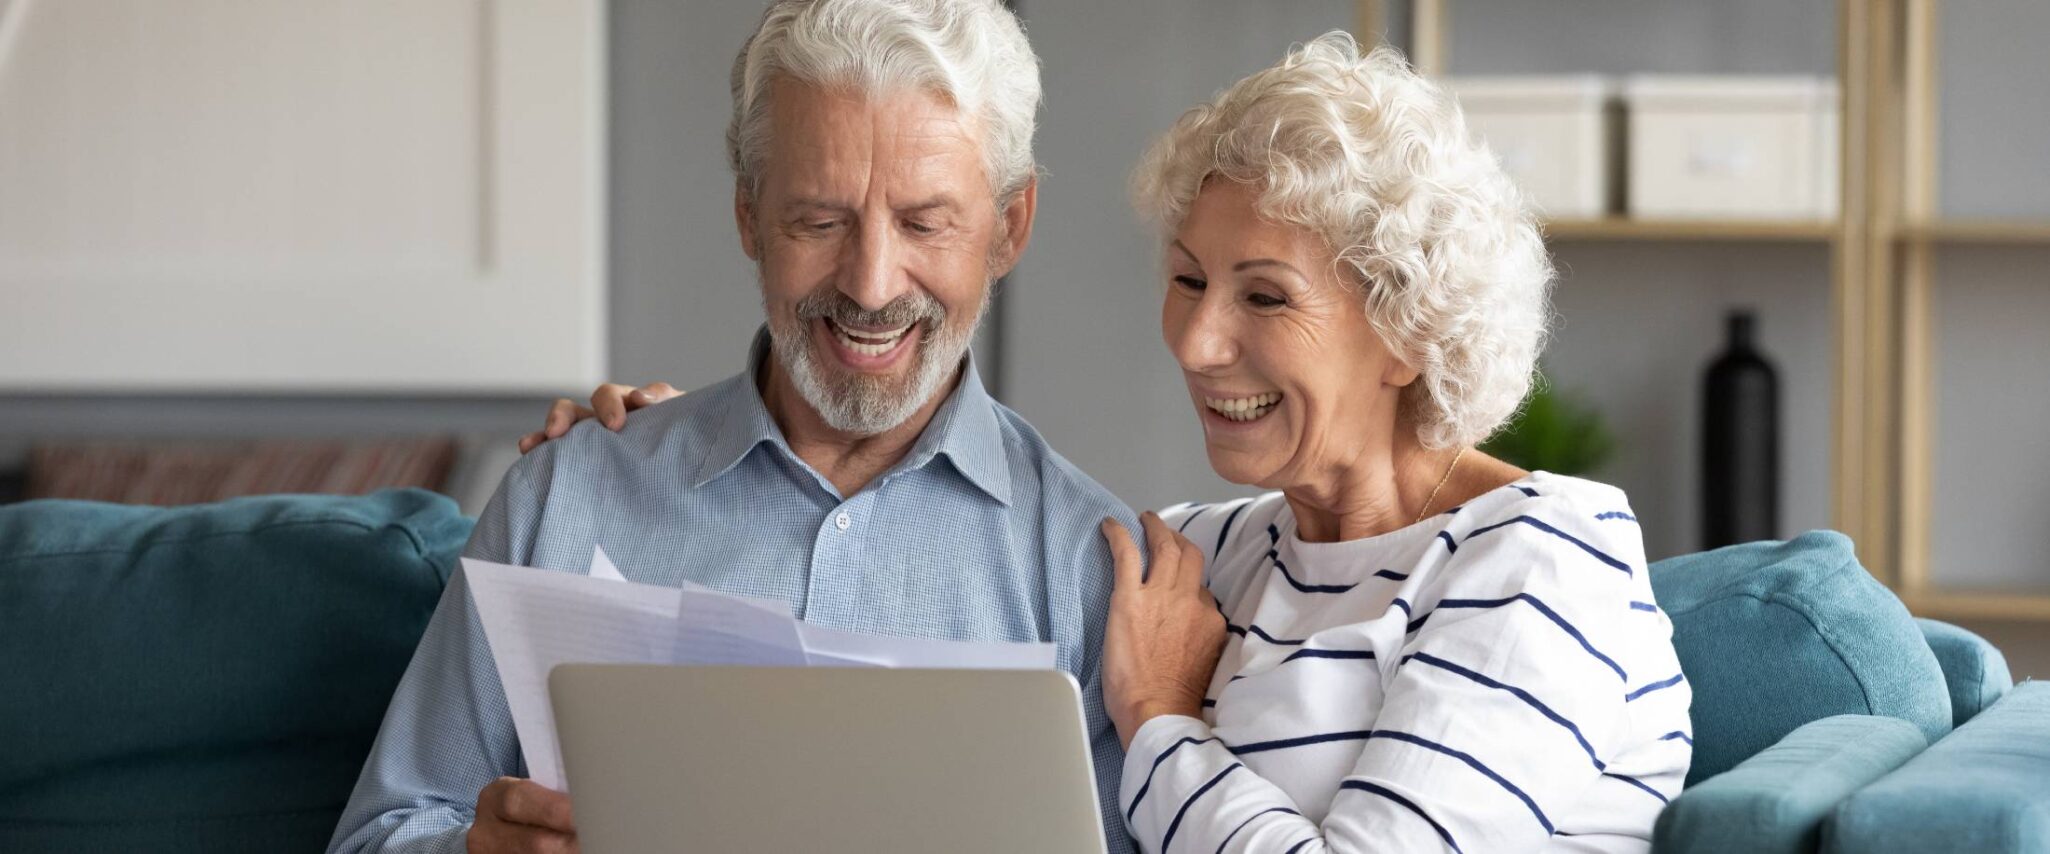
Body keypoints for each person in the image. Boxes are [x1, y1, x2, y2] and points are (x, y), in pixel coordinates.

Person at [540, 33, 1692, 852]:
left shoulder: (1541, 562)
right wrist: (656, 455)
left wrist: (1160, 722)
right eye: (1187, 278)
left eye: (1263, 296)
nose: (1195, 339)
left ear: (1405, 327)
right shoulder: (1206, 557)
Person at [327, 2, 1141, 852]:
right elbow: (381, 833)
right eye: (820, 221)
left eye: (923, 222)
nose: (869, 285)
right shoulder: (565, 493)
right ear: (750, 216)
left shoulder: (1093, 569)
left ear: (1008, 227)